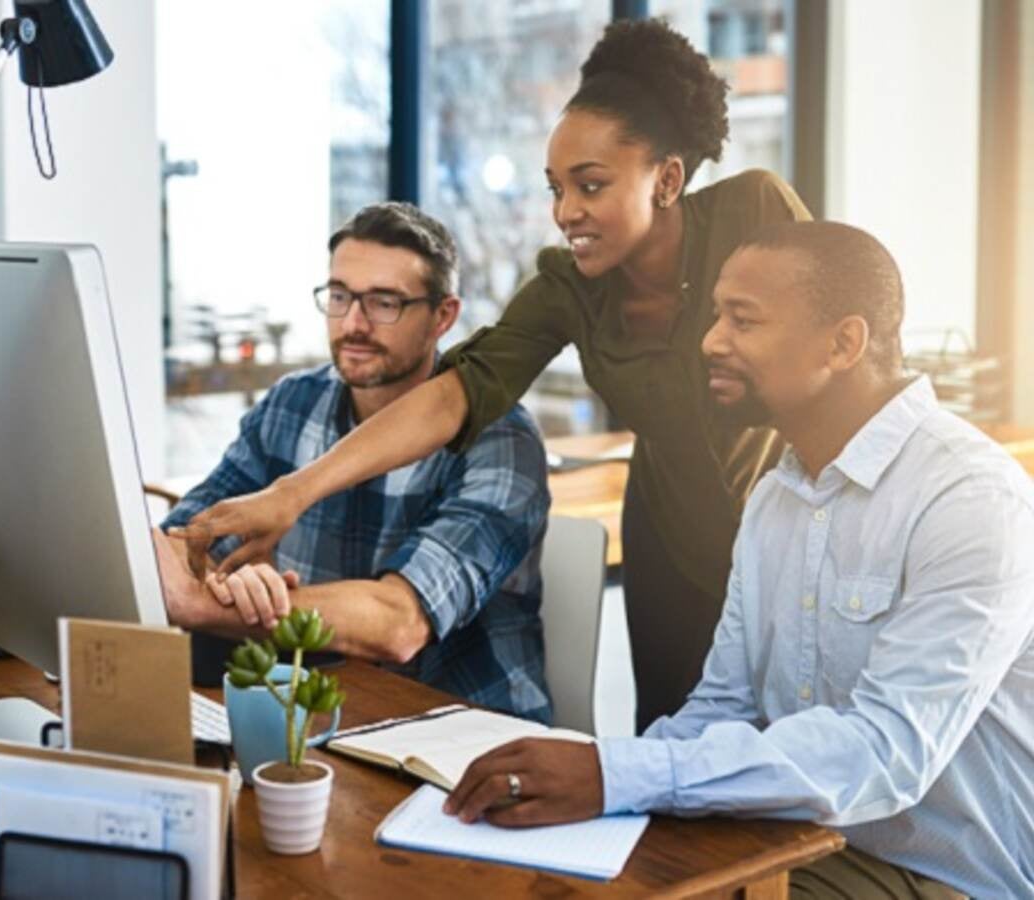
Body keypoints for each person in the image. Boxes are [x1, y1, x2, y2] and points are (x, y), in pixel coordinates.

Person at [170, 19, 811, 732]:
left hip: (790, 515)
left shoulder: (753, 212)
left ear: (666, 179)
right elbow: (457, 393)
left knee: (807, 723)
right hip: (671, 528)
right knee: (682, 737)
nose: (567, 212)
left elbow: (833, 345)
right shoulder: (568, 287)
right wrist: (292, 495)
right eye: (556, 188)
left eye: (590, 185)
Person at [445, 221, 1034, 899]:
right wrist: (610, 774)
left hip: (946, 875)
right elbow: (724, 706)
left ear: (844, 343)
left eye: (741, 320)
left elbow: (885, 752)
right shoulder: (774, 499)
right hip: (792, 839)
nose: (710, 341)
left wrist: (617, 776)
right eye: (716, 314)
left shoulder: (970, 500)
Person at [155, 202, 553, 722]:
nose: (353, 323)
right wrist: (234, 583)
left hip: (466, 732)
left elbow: (400, 625)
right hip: (330, 713)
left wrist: (209, 605)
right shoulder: (293, 402)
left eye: (384, 303)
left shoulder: (501, 440)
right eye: (339, 296)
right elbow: (187, 544)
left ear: (443, 316)